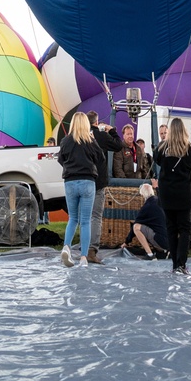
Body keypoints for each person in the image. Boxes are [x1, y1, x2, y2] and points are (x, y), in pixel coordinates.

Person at [153, 118, 191, 275]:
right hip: (182, 194)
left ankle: (175, 264)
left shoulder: (163, 148)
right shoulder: (188, 149)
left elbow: (156, 158)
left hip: (167, 193)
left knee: (171, 229)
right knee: (184, 228)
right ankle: (182, 263)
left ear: (170, 131)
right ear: (183, 131)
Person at [57, 111, 102, 268]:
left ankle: (66, 247)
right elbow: (101, 158)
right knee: (85, 221)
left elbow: (60, 159)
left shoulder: (65, 141)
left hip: (70, 182)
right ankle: (83, 257)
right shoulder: (90, 140)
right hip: (87, 182)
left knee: (73, 218)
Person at [86, 111, 123, 266]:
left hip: (83, 179)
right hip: (99, 181)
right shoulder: (101, 136)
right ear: (97, 122)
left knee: (82, 217)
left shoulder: (81, 136)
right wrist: (111, 130)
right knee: (95, 216)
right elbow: (118, 145)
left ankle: (81, 249)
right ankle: (92, 251)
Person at [124, 183, 169, 258]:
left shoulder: (147, 207)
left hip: (161, 241)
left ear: (142, 195)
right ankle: (164, 251)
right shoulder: (159, 201)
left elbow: (135, 225)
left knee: (136, 227)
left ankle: (150, 254)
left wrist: (126, 242)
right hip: (170, 240)